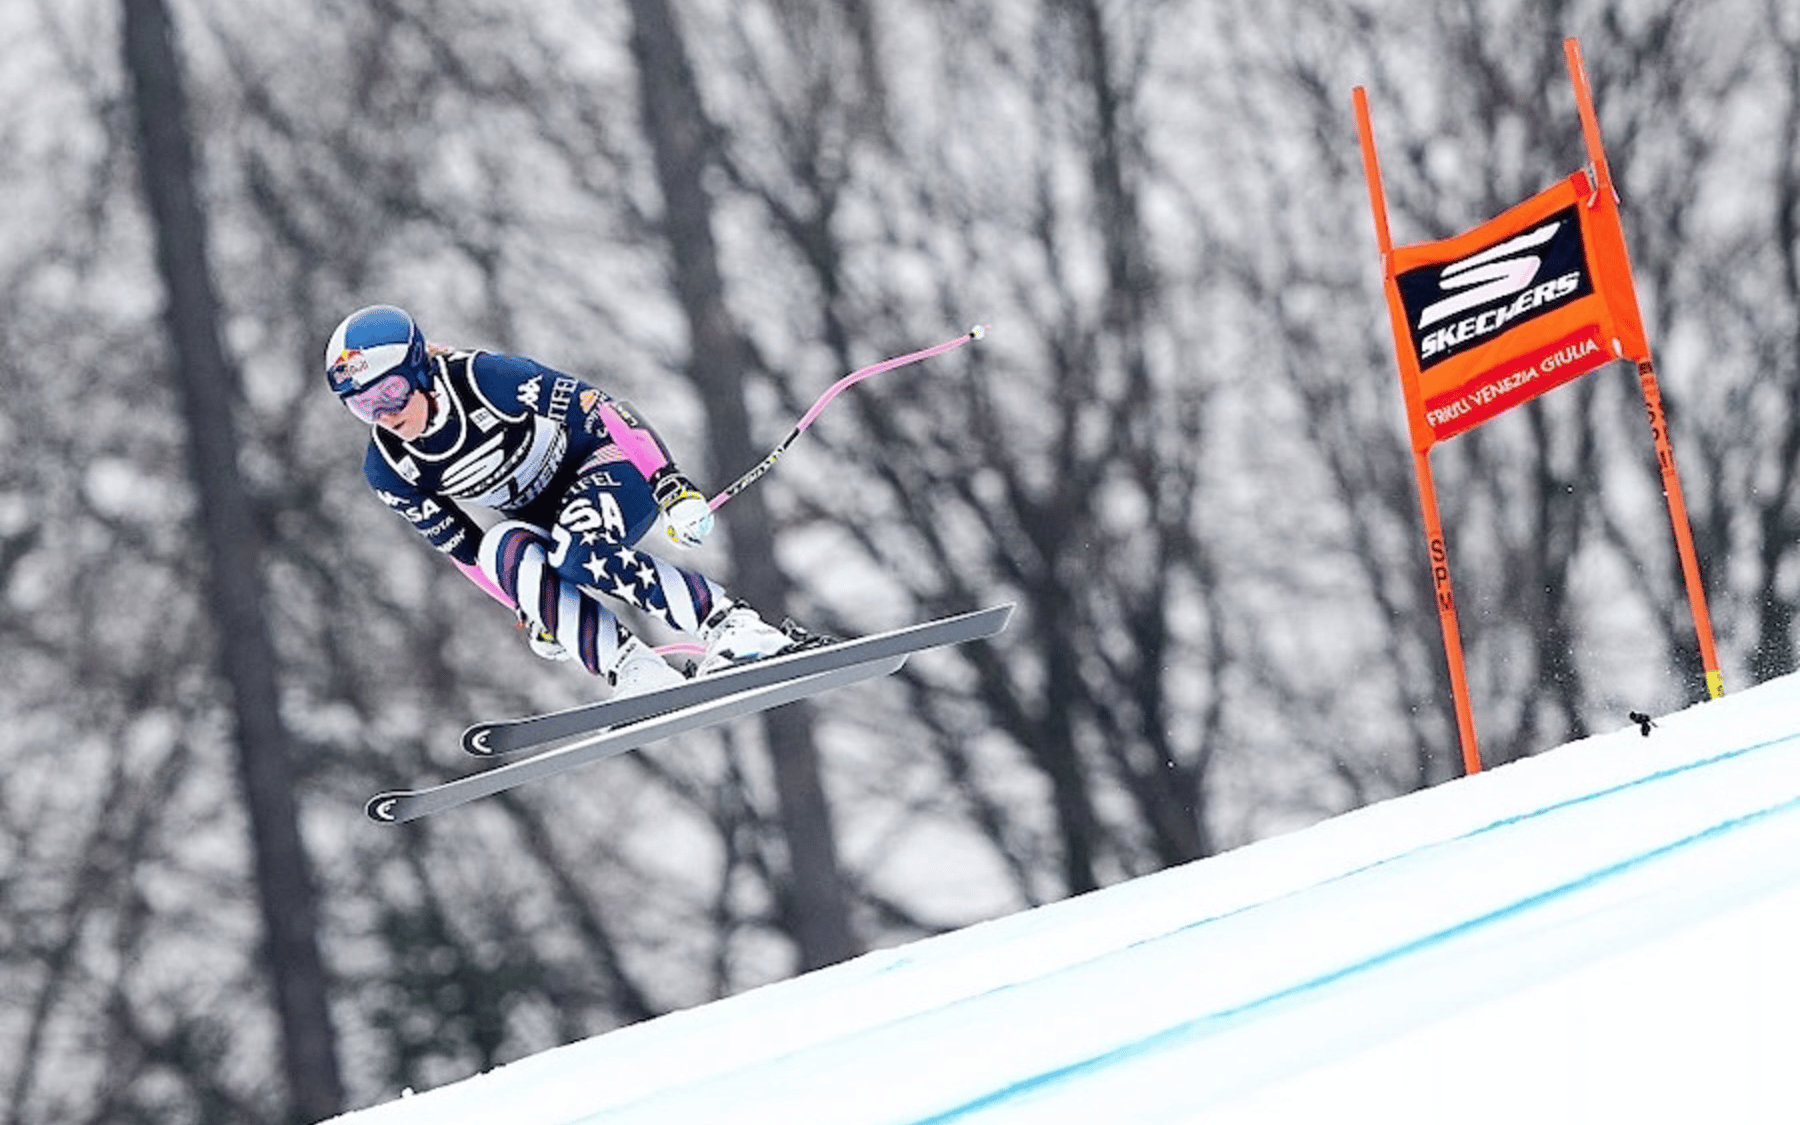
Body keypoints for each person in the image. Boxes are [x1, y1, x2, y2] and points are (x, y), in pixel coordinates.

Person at [324, 304, 802, 695]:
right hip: (549, 525)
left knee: (576, 546)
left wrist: (669, 485)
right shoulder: (388, 468)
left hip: (612, 470)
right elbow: (465, 553)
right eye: (362, 405)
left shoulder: (485, 380)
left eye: (391, 391)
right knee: (500, 551)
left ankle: (730, 623)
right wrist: (526, 607)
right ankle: (632, 668)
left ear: (419, 370)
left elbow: (602, 409)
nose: (384, 414)